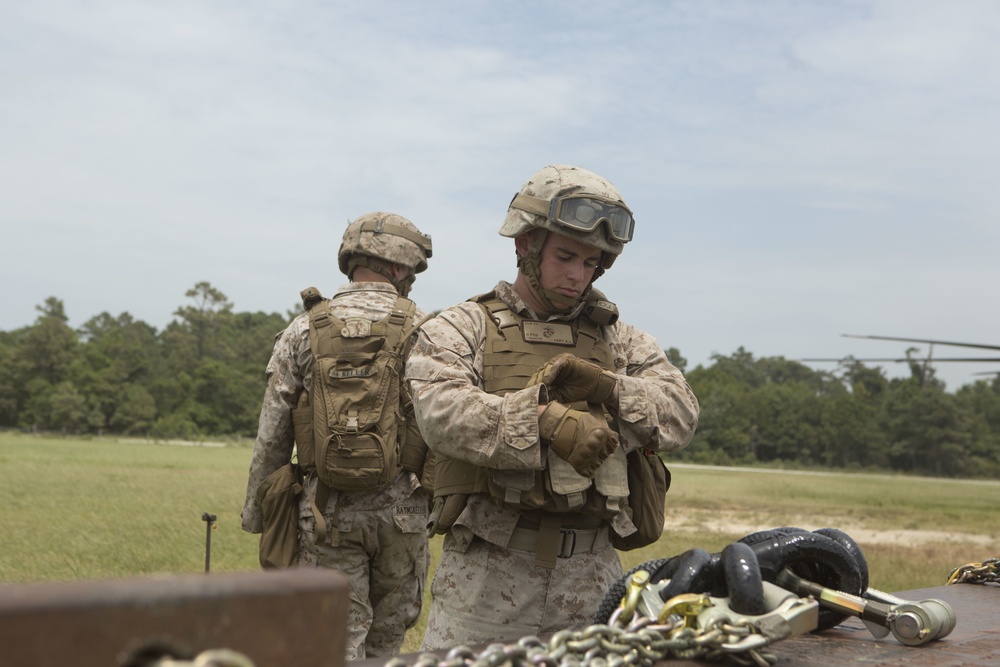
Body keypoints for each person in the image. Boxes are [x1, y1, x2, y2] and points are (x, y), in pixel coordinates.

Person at [405, 164, 700, 649]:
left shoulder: (620, 339)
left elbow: (681, 414)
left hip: (593, 579)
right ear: (526, 245)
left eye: (591, 263)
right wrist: (543, 419)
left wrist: (609, 389)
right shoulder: (462, 326)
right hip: (485, 581)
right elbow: (440, 411)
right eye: (565, 256)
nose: (577, 275)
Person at [241, 212, 434, 660]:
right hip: (404, 510)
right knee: (387, 642)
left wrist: (259, 513)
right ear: (403, 267)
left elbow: (272, 433)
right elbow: (441, 422)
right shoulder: (426, 328)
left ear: (351, 259)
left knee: (335, 639)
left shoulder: (303, 328)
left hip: (326, 511)